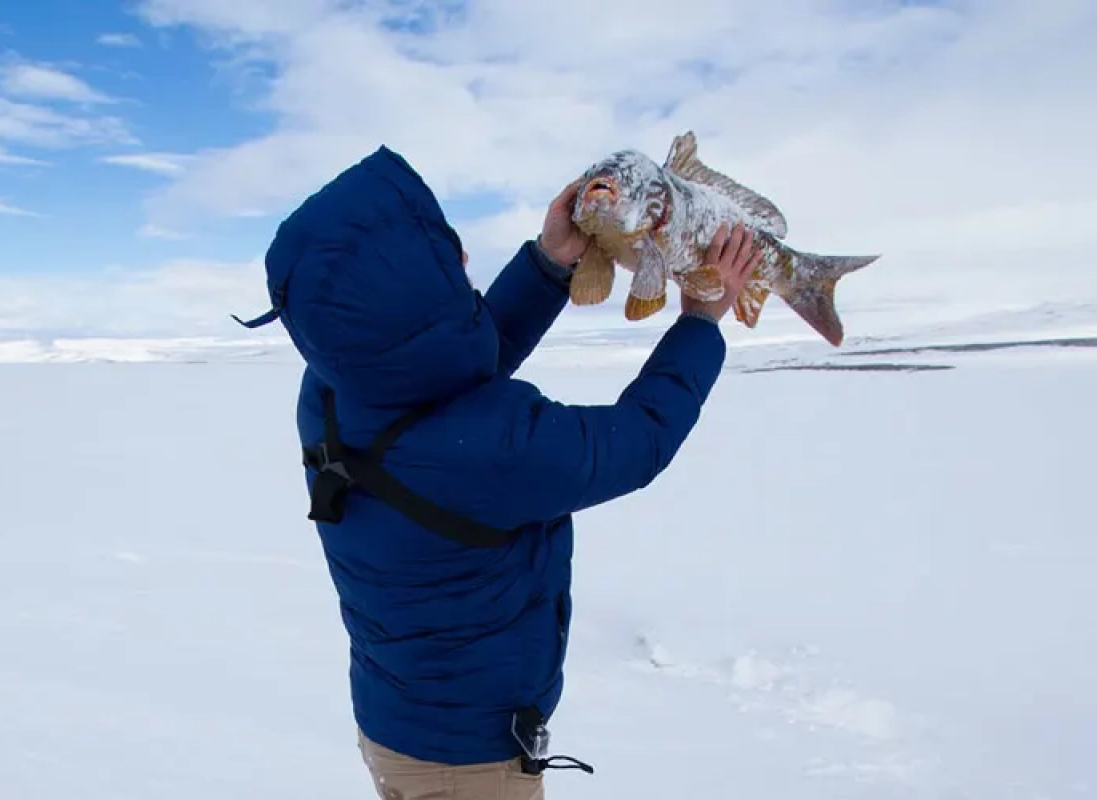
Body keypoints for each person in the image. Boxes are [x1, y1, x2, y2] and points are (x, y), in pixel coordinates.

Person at [236, 145, 759, 799]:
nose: (458, 259)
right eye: (443, 252)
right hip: (471, 768)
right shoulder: (492, 450)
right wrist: (701, 321)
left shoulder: (333, 391)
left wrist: (549, 262)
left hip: (394, 725)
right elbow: (639, 441)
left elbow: (441, 371)